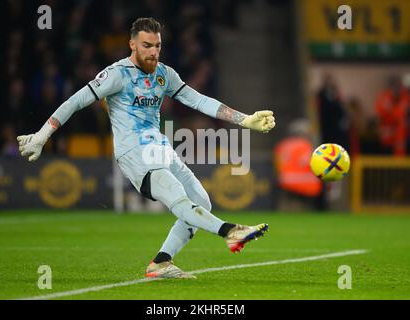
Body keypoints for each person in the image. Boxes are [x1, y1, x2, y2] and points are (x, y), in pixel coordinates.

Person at [16, 18, 275, 279]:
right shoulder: (117, 74)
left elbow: (198, 100)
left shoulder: (165, 74)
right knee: (179, 199)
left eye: (158, 46)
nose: (153, 51)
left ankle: (161, 262)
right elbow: (76, 101)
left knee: (201, 201)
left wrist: (244, 119)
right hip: (134, 152)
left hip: (159, 147)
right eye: (147, 45)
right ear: (132, 45)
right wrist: (42, 135)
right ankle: (230, 231)